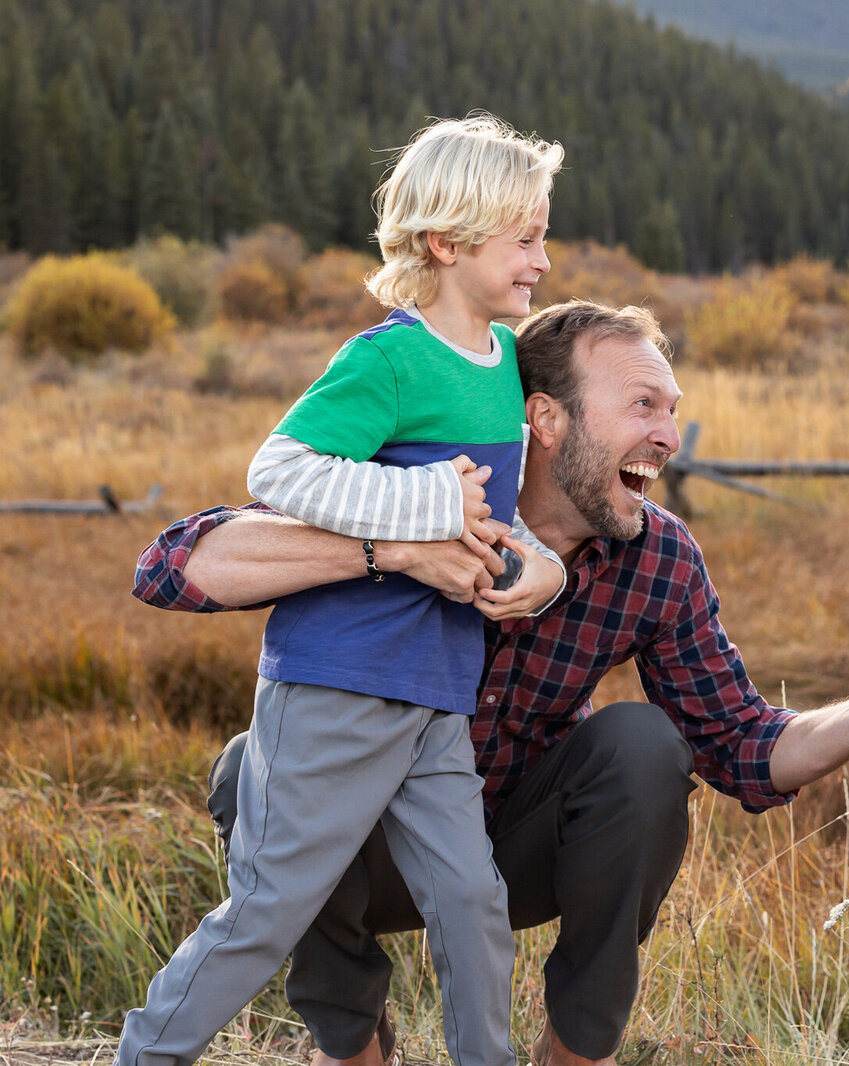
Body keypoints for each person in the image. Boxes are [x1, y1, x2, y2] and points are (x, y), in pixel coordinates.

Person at [131, 300, 849, 1066]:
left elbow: (745, 749)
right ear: (547, 418)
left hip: (514, 848)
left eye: (672, 411)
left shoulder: (657, 559)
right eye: (643, 406)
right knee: (250, 769)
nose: (668, 435)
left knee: (643, 748)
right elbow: (174, 565)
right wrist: (396, 550)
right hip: (368, 846)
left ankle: (572, 1056)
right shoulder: (406, 494)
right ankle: (353, 1048)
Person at [115, 115, 569, 1066]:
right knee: (273, 905)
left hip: (439, 691)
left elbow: (484, 514)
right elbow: (281, 468)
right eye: (524, 237)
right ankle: (147, 1053)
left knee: (474, 906)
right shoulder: (387, 357)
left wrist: (534, 563)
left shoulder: (499, 365)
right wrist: (422, 505)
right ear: (448, 241)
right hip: (337, 682)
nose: (542, 258)